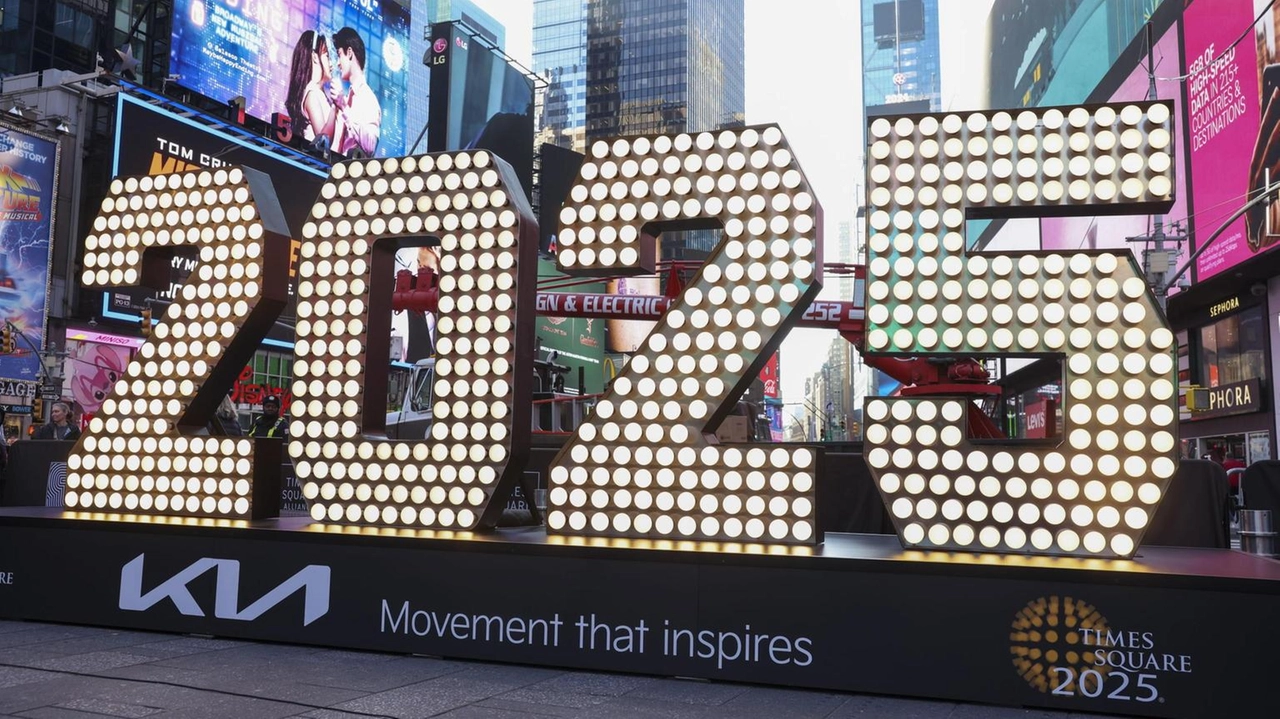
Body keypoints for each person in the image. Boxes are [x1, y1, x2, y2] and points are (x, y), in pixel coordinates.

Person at [331, 27, 381, 157]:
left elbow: (370, 146)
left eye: (339, 54)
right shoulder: (346, 98)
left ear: (349, 53)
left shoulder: (367, 98)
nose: (337, 63)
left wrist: (344, 107)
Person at [284, 30, 335, 145]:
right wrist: (335, 108)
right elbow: (323, 142)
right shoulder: (312, 95)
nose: (331, 64)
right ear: (315, 57)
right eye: (327, 56)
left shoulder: (321, 94)